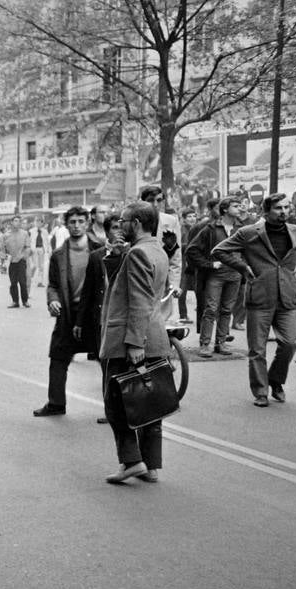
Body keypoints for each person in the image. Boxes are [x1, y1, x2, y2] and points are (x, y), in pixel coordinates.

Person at [212, 193, 296, 407]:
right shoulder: (248, 233)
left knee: (290, 343)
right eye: (278, 208)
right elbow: (219, 251)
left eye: (286, 208)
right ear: (266, 211)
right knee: (257, 349)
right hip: (260, 296)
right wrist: (243, 268)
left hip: (288, 296)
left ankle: (276, 380)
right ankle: (261, 391)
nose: (284, 212)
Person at [100, 202, 170, 484]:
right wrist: (117, 257)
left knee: (117, 403)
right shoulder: (156, 249)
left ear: (138, 222)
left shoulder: (138, 253)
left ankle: (131, 461)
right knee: (149, 404)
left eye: (124, 220)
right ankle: (150, 466)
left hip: (132, 339)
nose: (120, 225)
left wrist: (134, 344)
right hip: (154, 337)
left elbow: (139, 301)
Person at [33, 207, 104, 417]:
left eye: (81, 221)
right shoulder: (58, 255)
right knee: (57, 357)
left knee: (108, 362)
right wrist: (53, 301)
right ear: (66, 224)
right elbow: (53, 285)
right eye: (72, 222)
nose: (76, 226)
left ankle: (114, 408)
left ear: (87, 223)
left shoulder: (99, 251)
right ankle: (56, 403)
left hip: (94, 315)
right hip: (68, 315)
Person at [185, 197, 243, 357]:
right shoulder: (211, 228)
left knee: (227, 310)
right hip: (215, 276)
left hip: (235, 275)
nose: (239, 208)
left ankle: (221, 343)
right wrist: (209, 264)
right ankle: (205, 344)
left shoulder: (241, 228)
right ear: (225, 209)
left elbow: (249, 250)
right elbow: (192, 250)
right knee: (210, 309)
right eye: (236, 206)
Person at [3, 217, 32, 307]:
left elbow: (28, 247)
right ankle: (15, 301)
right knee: (13, 282)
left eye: (20, 221)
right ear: (11, 222)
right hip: (11, 261)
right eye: (16, 221)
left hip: (21, 260)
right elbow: (3, 249)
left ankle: (25, 301)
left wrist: (24, 256)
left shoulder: (24, 233)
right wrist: (3, 260)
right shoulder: (6, 235)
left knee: (23, 282)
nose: (18, 223)